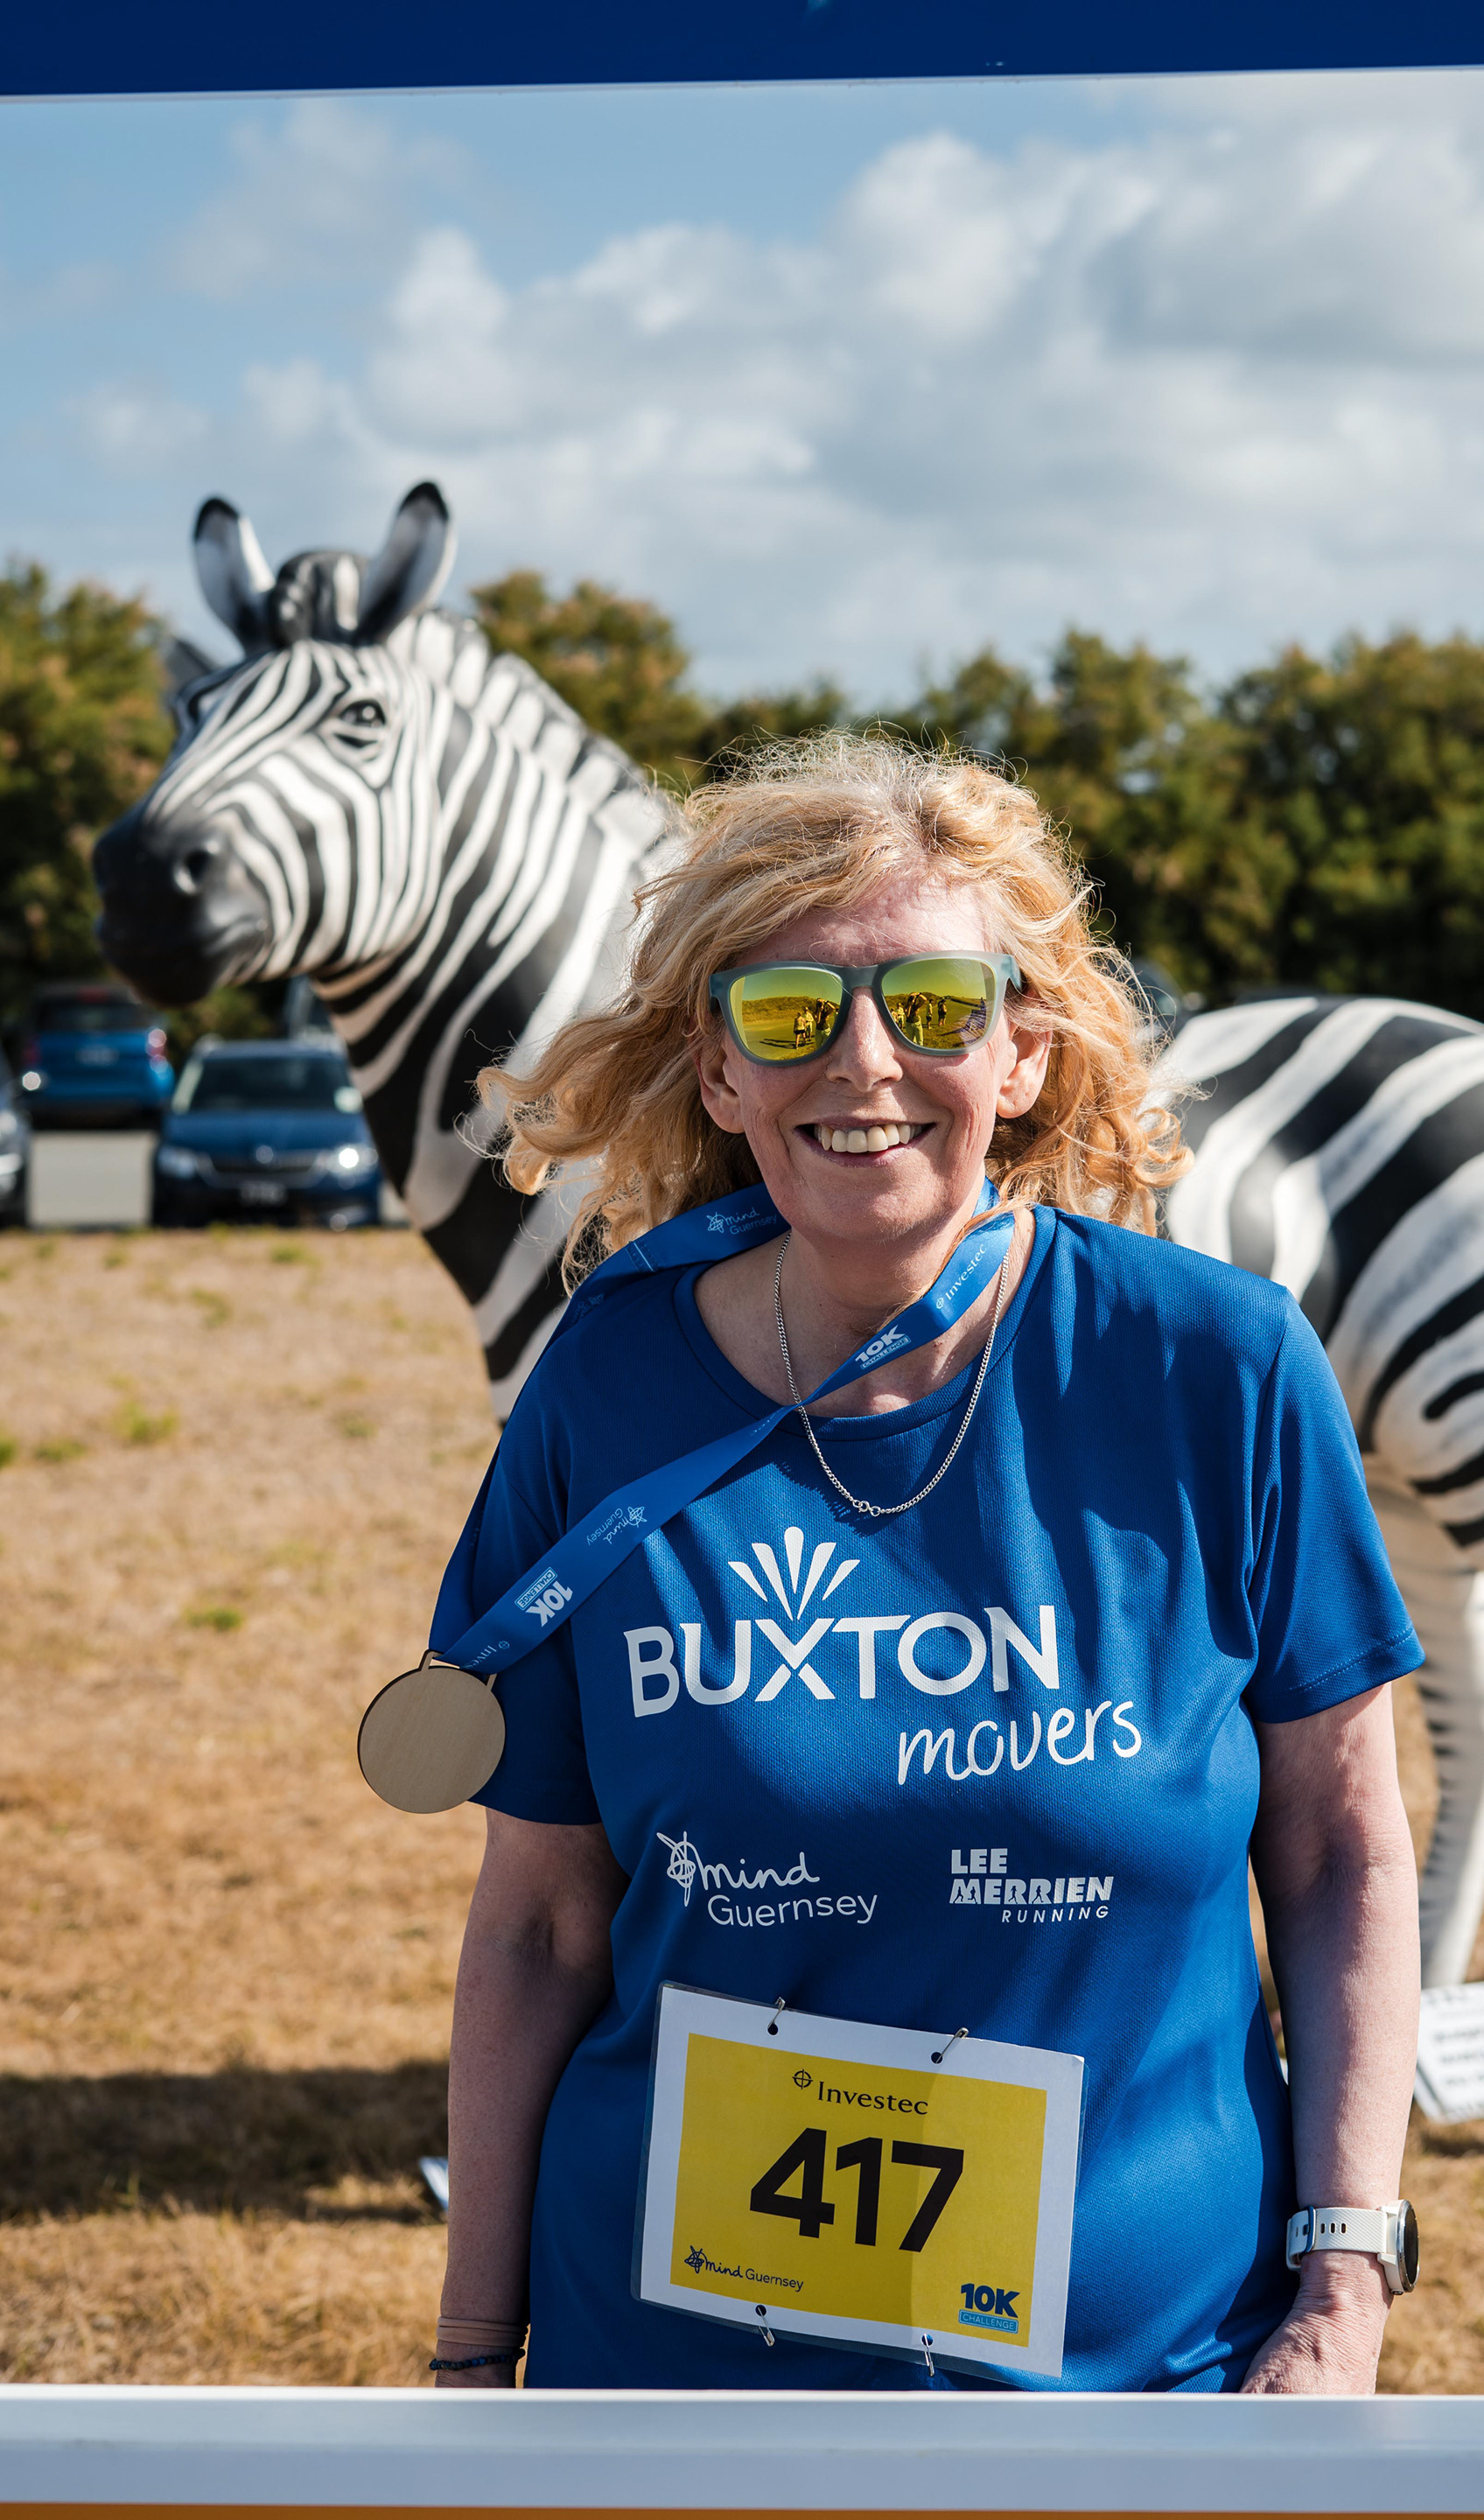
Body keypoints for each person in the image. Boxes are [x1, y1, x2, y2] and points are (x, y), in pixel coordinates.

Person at [428, 733, 1422, 2397]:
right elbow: (538, 1926)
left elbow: (1343, 1853)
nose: (865, 1061)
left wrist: (1344, 2282)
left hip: (1141, 2381)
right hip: (678, 2385)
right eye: (790, 1013)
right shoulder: (602, 1386)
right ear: (719, 1068)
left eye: (936, 1006)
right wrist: (474, 2356)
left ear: (1022, 1052)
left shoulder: (1218, 1368)